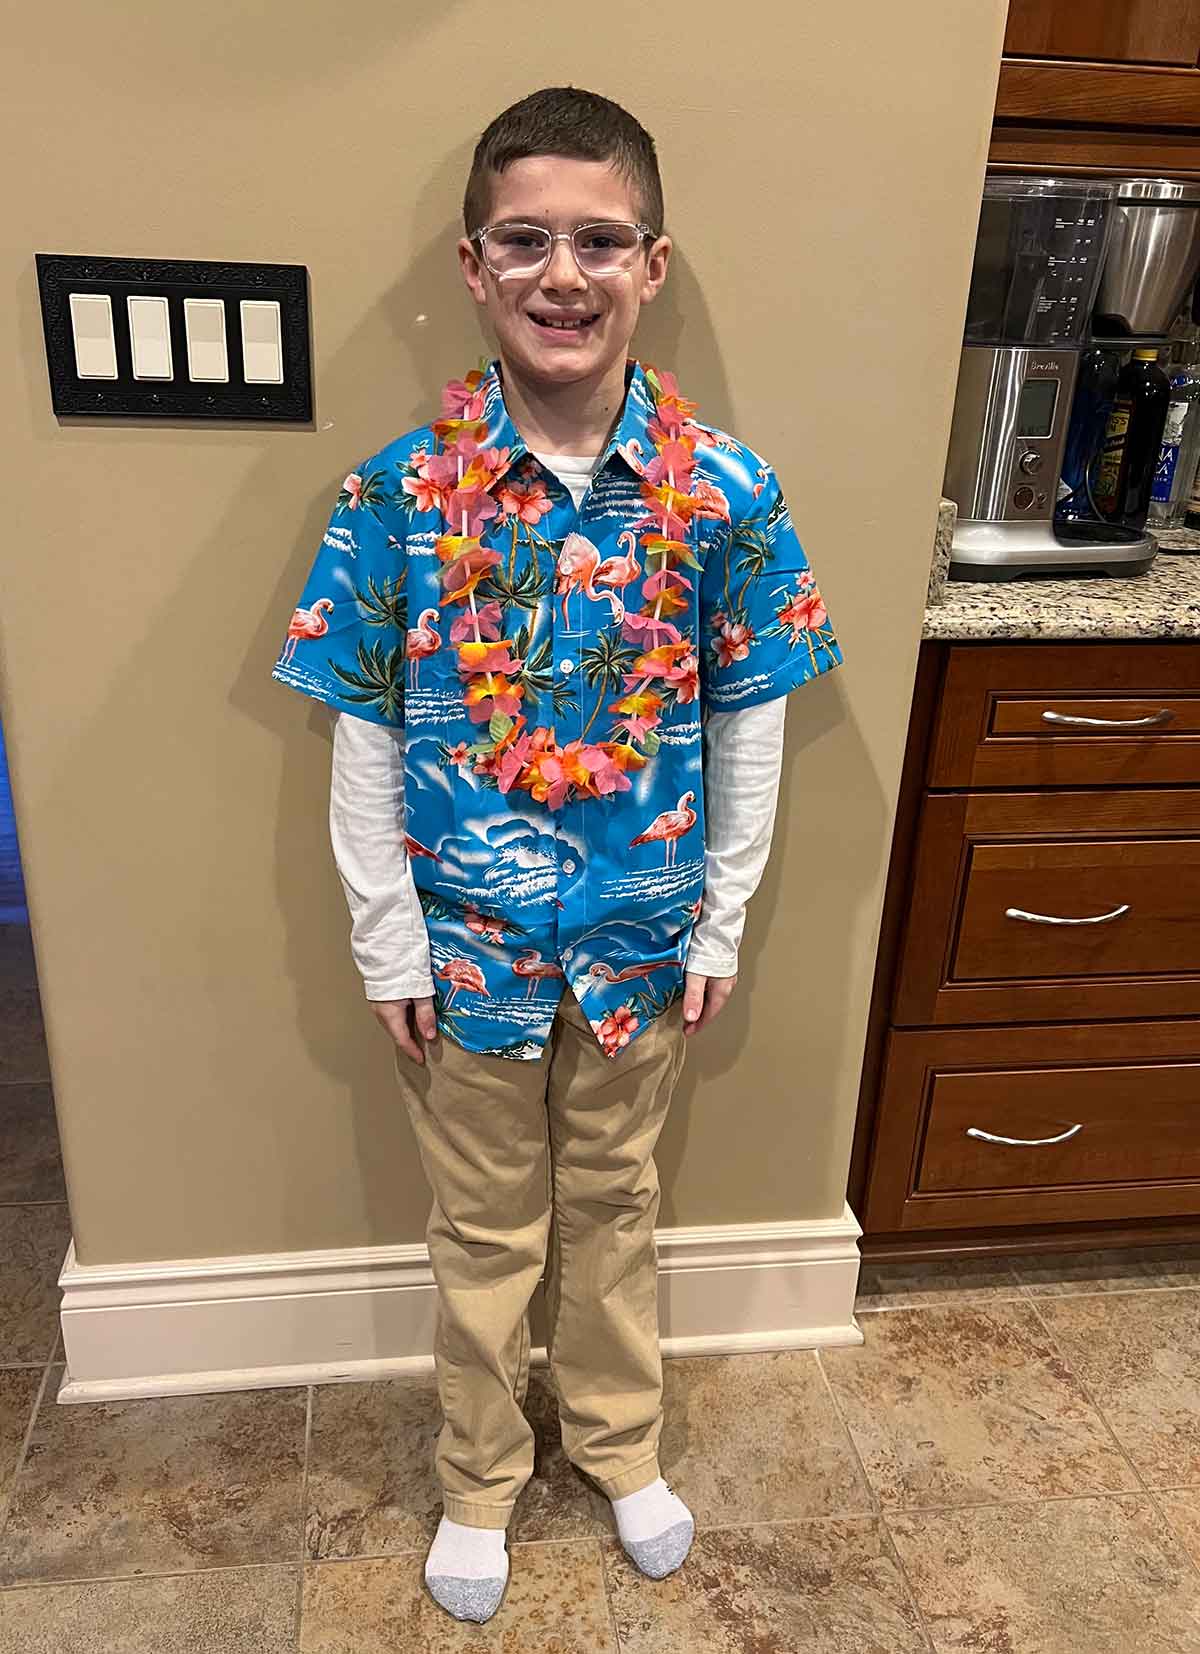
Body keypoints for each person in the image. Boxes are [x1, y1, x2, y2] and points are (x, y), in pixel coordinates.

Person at [272, 85, 843, 1625]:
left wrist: (719, 919)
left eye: (599, 240)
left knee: (618, 1205)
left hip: (643, 942)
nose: (561, 273)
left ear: (653, 265)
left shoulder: (725, 492)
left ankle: (621, 1442)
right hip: (467, 953)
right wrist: (388, 938)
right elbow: (369, 735)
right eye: (525, 239)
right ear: (473, 264)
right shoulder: (394, 498)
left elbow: (749, 723)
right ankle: (478, 1478)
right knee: (483, 1226)